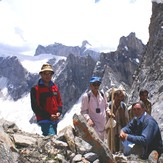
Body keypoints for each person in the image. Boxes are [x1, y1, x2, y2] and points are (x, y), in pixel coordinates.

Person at [30, 63, 62, 136]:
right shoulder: (35, 89)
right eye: (45, 73)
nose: (48, 76)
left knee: (53, 138)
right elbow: (35, 107)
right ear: (41, 74)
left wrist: (59, 112)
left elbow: (59, 101)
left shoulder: (54, 87)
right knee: (52, 137)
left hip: (54, 119)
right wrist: (48, 116)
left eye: (50, 74)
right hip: (44, 120)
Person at [80, 76, 109, 141]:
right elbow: (83, 111)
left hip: (104, 126)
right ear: (90, 85)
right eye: (94, 84)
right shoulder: (87, 96)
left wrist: (108, 111)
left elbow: (106, 106)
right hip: (94, 127)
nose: (96, 86)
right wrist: (88, 119)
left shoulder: (102, 94)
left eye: (98, 84)